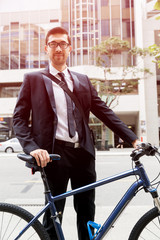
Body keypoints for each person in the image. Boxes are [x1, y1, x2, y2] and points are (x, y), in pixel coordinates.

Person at [13, 27, 139, 240]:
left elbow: (105, 113)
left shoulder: (82, 80)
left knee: (87, 212)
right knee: (54, 217)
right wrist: (33, 149)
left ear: (70, 48)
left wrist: (134, 139)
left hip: (83, 155)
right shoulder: (33, 79)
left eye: (63, 43)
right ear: (46, 48)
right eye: (53, 44)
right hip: (53, 155)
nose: (58, 48)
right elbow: (18, 120)